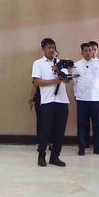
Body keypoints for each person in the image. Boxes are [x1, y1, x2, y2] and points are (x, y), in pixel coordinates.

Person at [31, 38, 71, 168]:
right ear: (43, 49)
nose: (52, 50)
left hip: (62, 100)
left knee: (60, 130)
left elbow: (67, 81)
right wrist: (54, 81)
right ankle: (41, 155)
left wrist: (60, 72)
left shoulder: (61, 63)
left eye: (53, 47)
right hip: (47, 100)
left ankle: (55, 156)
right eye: (49, 47)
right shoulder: (38, 63)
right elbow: (36, 81)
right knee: (45, 130)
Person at [74, 41, 99, 156]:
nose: (88, 53)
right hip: (82, 99)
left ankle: (98, 148)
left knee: (98, 124)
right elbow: (75, 82)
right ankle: (82, 147)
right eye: (86, 51)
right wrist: (76, 95)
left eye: (90, 50)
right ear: (82, 52)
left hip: (97, 99)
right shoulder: (77, 65)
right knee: (82, 124)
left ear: (93, 51)